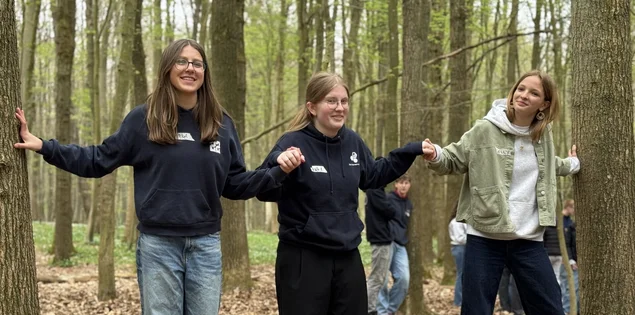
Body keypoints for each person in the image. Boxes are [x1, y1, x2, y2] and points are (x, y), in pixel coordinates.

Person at [14, 39, 304, 315]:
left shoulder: (221, 123)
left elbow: (236, 184)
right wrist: (44, 146)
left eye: (197, 63)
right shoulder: (144, 119)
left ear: (205, 73)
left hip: (206, 246)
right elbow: (96, 160)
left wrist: (278, 170)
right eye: (182, 61)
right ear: (167, 68)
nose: (190, 68)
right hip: (158, 246)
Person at [256, 72, 431, 315]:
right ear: (312, 107)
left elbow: (374, 175)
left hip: (347, 257)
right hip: (303, 258)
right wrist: (280, 166)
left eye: (344, 101)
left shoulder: (353, 142)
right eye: (331, 101)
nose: (340, 108)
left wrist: (410, 151)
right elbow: (263, 189)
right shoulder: (292, 142)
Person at [422, 70, 580, 315]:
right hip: (485, 238)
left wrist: (573, 164)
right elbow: (455, 158)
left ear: (545, 104)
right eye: (521, 88)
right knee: (476, 310)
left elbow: (550, 166)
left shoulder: (543, 136)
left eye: (534, 93)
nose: (524, 95)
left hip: (529, 241)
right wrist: (435, 154)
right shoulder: (485, 129)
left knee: (550, 307)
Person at [364, 163, 397, 315]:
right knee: (377, 278)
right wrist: (393, 209)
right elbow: (389, 210)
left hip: (380, 237)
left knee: (378, 277)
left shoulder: (373, 189)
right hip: (380, 238)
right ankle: (369, 309)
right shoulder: (375, 190)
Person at [377, 174, 413, 315]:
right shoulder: (387, 199)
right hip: (386, 242)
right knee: (382, 279)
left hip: (401, 245)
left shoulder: (409, 204)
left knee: (404, 279)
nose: (404, 185)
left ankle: (390, 310)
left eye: (407, 183)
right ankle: (382, 311)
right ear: (396, 184)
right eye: (401, 183)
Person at [559, 200, 579, 315]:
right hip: (572, 262)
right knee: (569, 287)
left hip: (578, 262)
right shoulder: (571, 227)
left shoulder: (571, 223)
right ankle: (567, 311)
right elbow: (568, 244)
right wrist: (571, 260)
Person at [449, 202, 467, 307]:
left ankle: (461, 300)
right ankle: (458, 301)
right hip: (460, 248)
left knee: (463, 274)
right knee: (461, 274)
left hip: (459, 248)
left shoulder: (458, 221)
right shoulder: (456, 222)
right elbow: (460, 238)